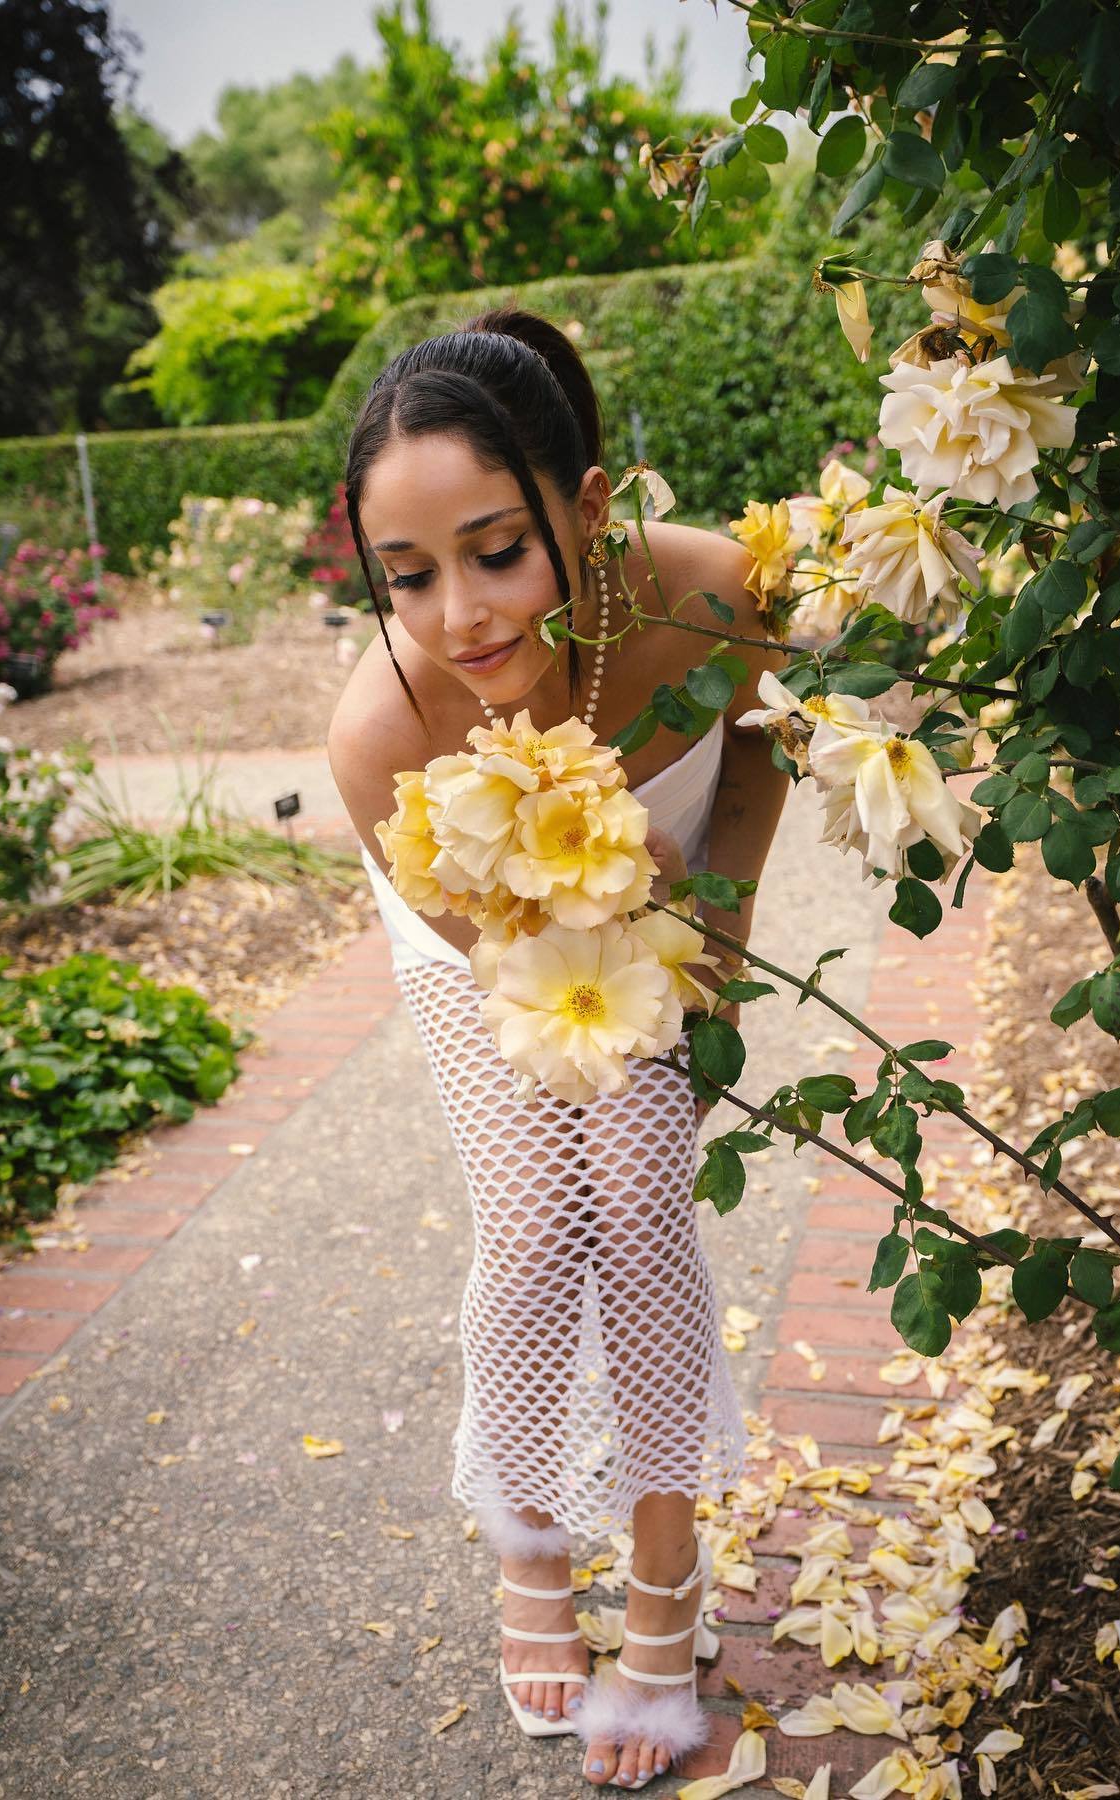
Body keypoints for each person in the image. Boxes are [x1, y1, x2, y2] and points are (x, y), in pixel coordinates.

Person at [326, 306, 788, 1790]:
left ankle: (666, 1573)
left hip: (674, 907)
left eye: (497, 552)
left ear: (586, 507)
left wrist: (720, 932)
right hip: (489, 945)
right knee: (538, 1222)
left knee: (642, 1202)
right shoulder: (383, 733)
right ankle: (530, 1549)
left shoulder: (713, 591)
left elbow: (761, 750)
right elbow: (512, 971)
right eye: (409, 575)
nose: (460, 615)